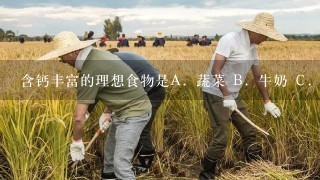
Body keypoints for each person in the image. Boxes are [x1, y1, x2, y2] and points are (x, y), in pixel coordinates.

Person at [37, 31, 152, 179]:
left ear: (73, 52)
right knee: (109, 158)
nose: (61, 60)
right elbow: (117, 86)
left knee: (121, 165)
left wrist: (76, 142)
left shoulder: (90, 70)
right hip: (124, 111)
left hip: (134, 114)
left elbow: (78, 117)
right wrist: (107, 111)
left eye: (62, 55)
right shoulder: (100, 56)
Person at [200, 12, 287, 179]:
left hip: (233, 95)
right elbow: (215, 70)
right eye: (266, 35)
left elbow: (258, 76)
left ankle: (255, 170)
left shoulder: (253, 48)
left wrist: (267, 101)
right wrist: (226, 95)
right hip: (215, 93)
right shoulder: (230, 40)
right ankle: (206, 175)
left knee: (249, 132)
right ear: (256, 32)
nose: (266, 39)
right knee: (221, 138)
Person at [87, 51, 165, 175]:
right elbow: (118, 91)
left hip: (152, 91)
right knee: (122, 127)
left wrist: (84, 114)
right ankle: (119, 163)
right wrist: (107, 112)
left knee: (141, 125)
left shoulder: (113, 64)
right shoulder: (117, 60)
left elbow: (119, 91)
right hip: (147, 87)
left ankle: (145, 164)